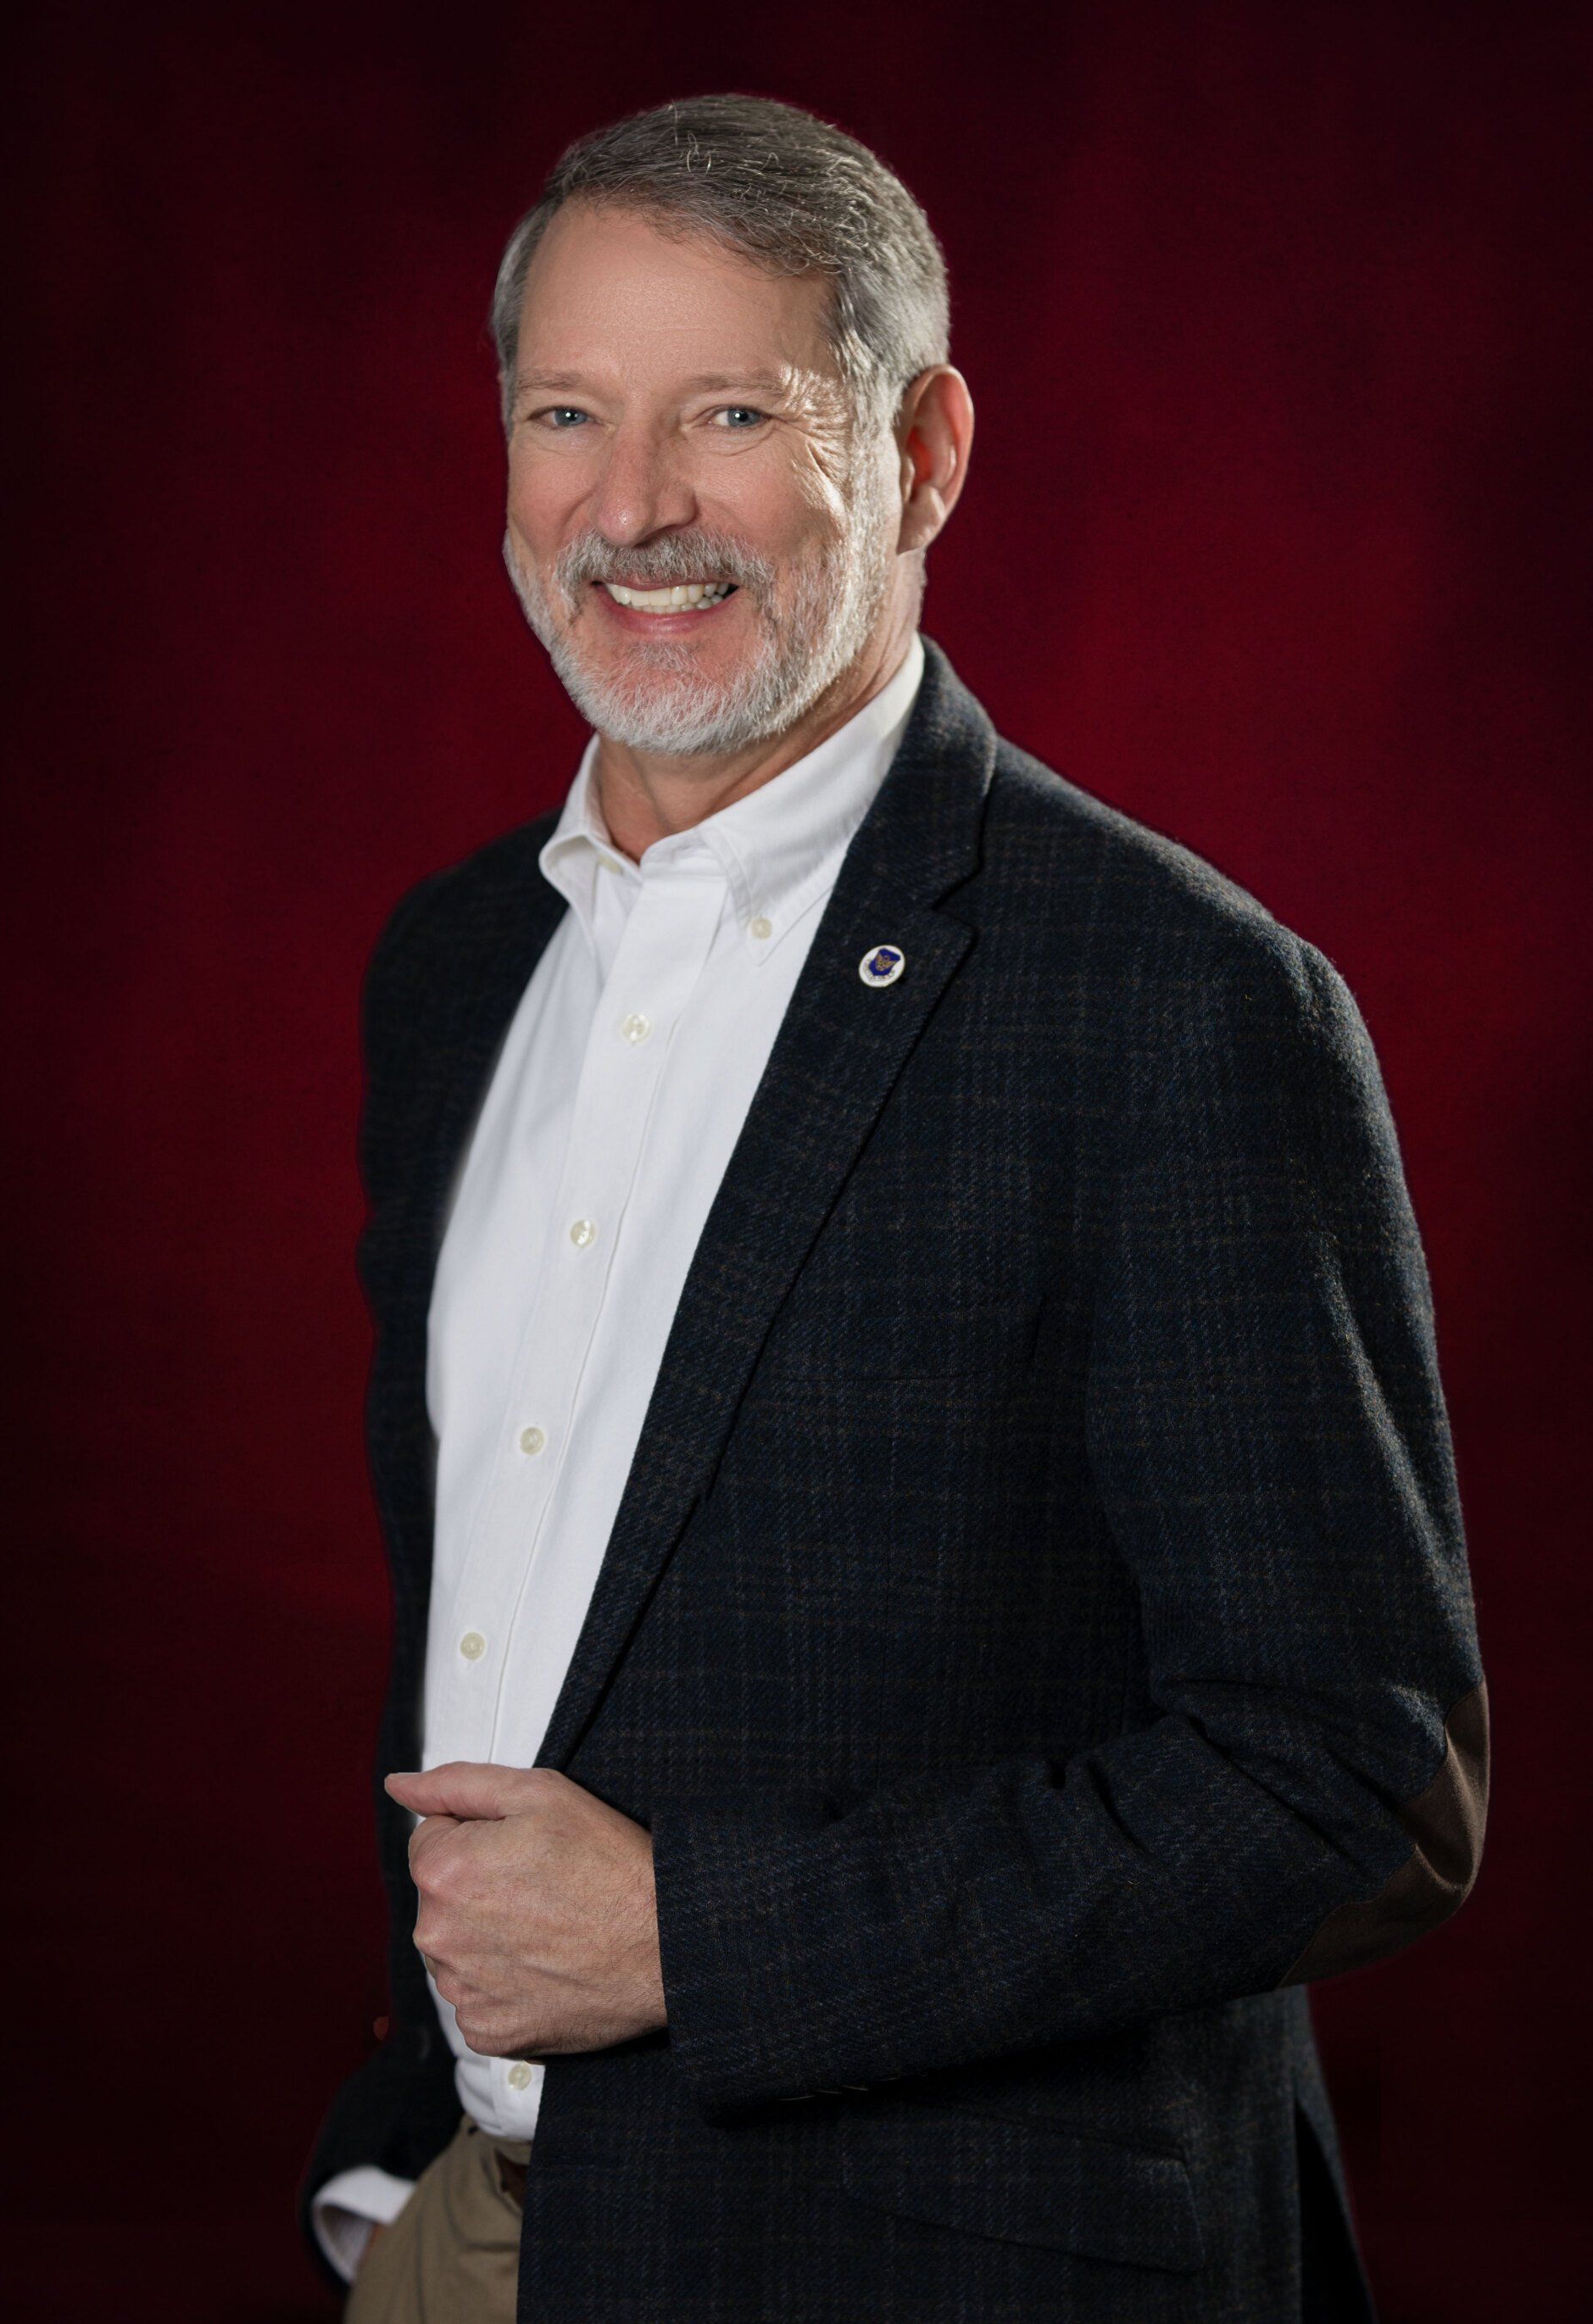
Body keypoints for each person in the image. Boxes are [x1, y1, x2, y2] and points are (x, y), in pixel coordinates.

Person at [297, 92, 1487, 2323]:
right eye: (570, 413)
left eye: (728, 412)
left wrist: (684, 1937)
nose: (633, 508)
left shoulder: (1181, 1008)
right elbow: (512, 1609)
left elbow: (1354, 1784)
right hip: (480, 2239)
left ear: (924, 451)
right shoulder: (454, 968)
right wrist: (403, 2173)